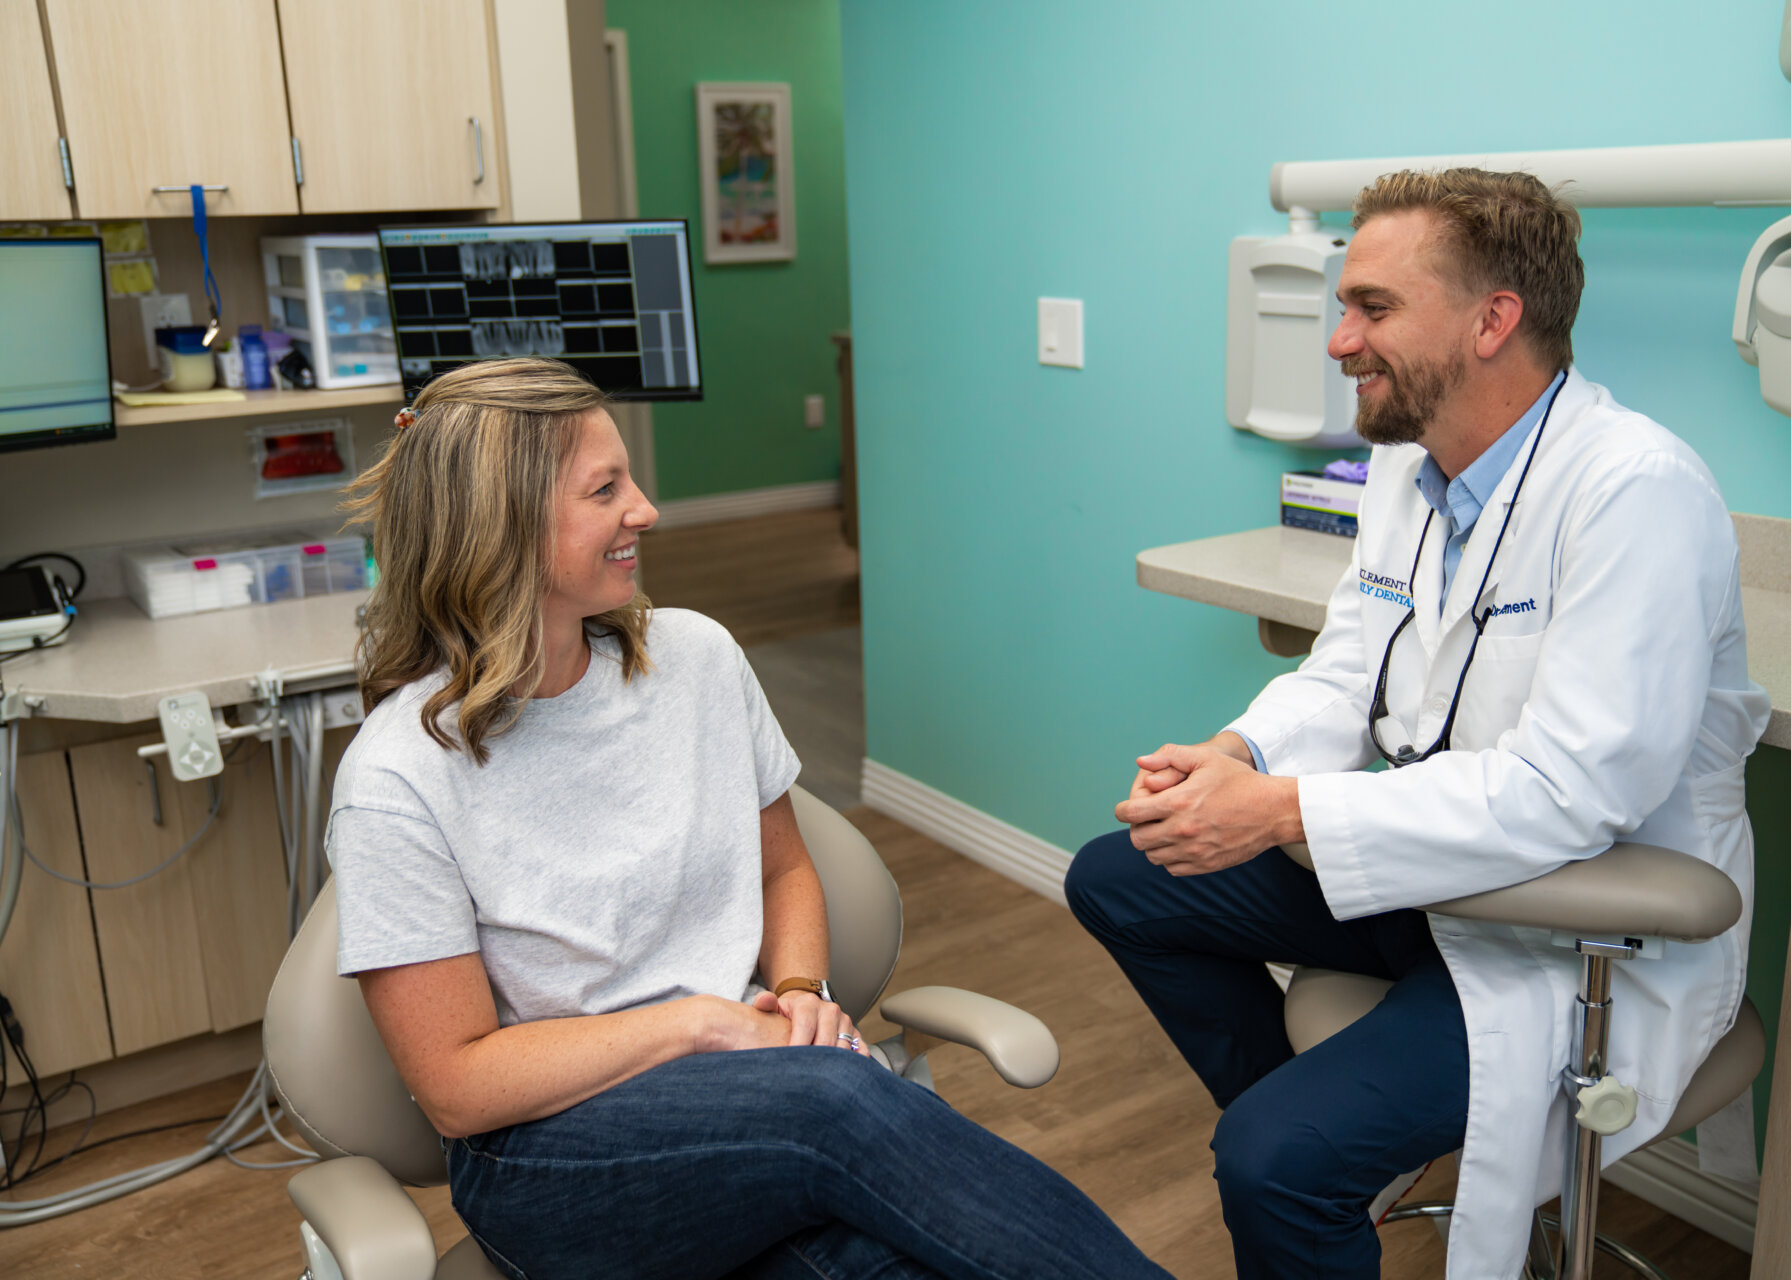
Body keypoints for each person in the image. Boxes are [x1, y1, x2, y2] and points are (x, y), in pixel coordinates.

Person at [1066, 169, 1771, 1280]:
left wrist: (1284, 808)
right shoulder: (1409, 470)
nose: (1341, 338)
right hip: (1426, 879)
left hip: (1566, 928)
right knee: (1121, 875)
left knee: (1270, 1159)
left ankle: (1302, 1162)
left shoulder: (1636, 492)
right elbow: (1350, 666)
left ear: (1495, 319)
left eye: (1374, 308)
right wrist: (1240, 756)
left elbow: (1573, 792)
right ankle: (1338, 1161)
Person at [327, 357, 1172, 1280]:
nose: (645, 509)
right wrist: (699, 1026)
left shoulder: (696, 659)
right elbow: (455, 1086)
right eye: (606, 489)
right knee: (838, 1107)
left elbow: (782, 871)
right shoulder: (399, 776)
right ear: (499, 529)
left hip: (756, 1098)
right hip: (547, 1156)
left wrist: (803, 990)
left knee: (881, 1256)